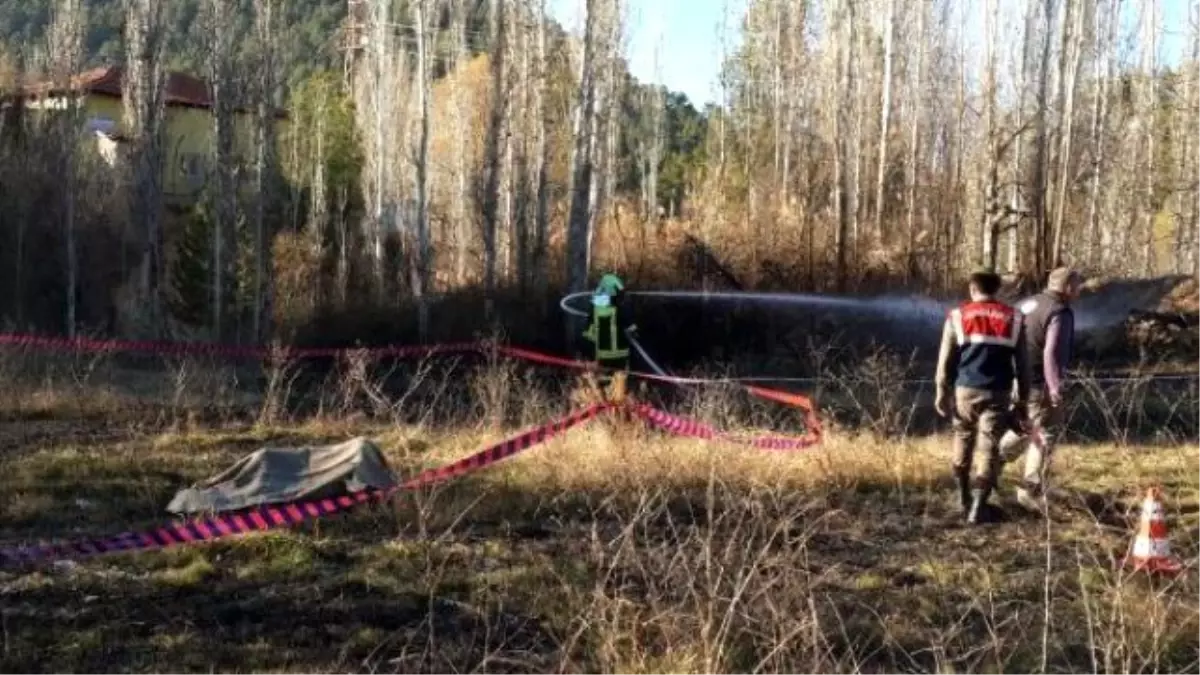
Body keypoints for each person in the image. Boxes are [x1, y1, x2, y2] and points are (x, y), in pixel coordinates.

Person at [935, 269, 1032, 524]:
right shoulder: (1014, 318)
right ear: (997, 290)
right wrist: (1022, 400)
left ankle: (962, 497)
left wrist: (941, 390)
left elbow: (946, 359)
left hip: (964, 389)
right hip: (998, 392)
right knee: (988, 448)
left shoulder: (957, 316)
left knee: (962, 438)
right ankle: (979, 508)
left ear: (972, 289)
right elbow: (1023, 364)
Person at [1011, 266, 1082, 513]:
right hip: (1039, 382)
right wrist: (1055, 388)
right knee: (1046, 432)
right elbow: (1051, 352)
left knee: (1023, 426)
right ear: (1067, 288)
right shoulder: (1060, 312)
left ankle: (989, 465)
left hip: (1015, 379)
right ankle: (1031, 489)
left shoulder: (1024, 304)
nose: (1079, 290)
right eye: (1077, 286)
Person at [582, 273, 638, 396]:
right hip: (620, 357)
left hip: (601, 357)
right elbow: (632, 329)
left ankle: (604, 408)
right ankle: (617, 410)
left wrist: (588, 356)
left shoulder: (594, 309)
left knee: (601, 388)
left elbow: (588, 334)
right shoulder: (620, 308)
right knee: (619, 390)